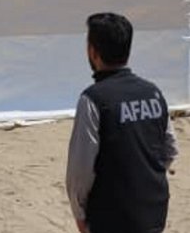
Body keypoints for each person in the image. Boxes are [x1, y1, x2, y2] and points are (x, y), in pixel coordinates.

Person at [66, 13, 177, 233]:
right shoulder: (152, 92)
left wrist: (79, 215)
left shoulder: (93, 99)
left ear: (93, 52)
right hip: (154, 213)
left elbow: (80, 171)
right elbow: (170, 150)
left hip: (111, 218)